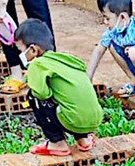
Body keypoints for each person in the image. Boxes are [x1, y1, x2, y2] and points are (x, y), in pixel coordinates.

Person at [14, 19, 103, 157]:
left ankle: (57, 142)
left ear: (33, 49)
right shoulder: (66, 60)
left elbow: (42, 93)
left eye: (21, 50)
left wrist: (31, 78)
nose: (20, 55)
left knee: (33, 96)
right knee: (69, 97)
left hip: (73, 120)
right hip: (95, 119)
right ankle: (83, 139)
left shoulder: (38, 64)